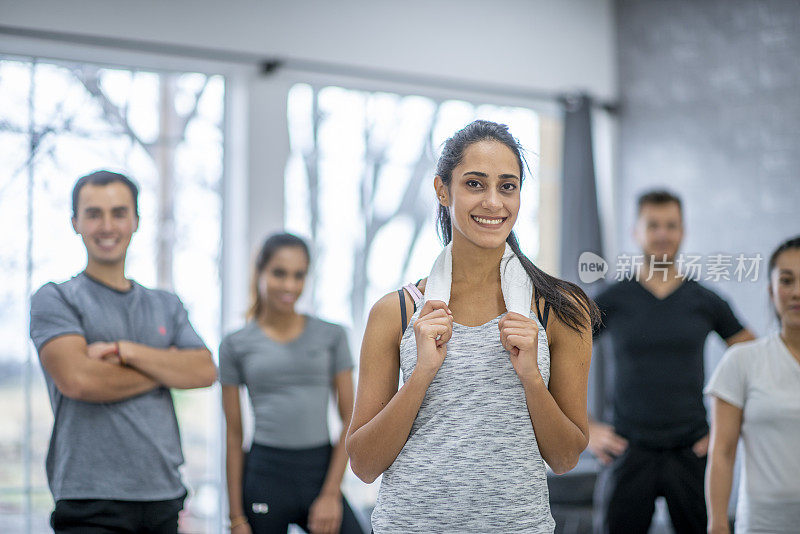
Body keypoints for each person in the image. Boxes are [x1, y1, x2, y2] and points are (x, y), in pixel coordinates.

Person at [346, 120, 599, 533]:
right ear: (443, 190)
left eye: (507, 186)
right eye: (475, 184)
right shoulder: (396, 311)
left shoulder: (559, 310)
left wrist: (532, 378)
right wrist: (422, 374)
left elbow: (566, 457)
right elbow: (363, 464)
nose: (494, 203)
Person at [29, 170, 217, 534]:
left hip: (163, 494)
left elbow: (204, 371)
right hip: (89, 497)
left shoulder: (167, 304)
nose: (107, 225)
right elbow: (79, 380)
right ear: (75, 222)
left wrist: (125, 351)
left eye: (118, 213)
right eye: (93, 213)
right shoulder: (56, 297)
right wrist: (165, 367)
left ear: (135, 221)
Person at [589, 190, 755, 534]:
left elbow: (755, 358)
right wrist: (585, 429)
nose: (663, 233)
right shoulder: (612, 299)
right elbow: (557, 355)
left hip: (691, 449)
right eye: (653, 225)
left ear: (682, 231)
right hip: (627, 450)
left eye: (671, 225)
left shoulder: (704, 300)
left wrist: (729, 430)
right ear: (636, 231)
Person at [220, 233, 363, 534]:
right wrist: (235, 517)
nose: (289, 286)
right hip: (265, 473)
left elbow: (350, 418)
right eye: (279, 273)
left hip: (319, 472)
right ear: (260, 272)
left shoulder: (332, 336)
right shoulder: (235, 345)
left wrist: (330, 494)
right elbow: (234, 436)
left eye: (298, 275)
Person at [705, 235, 800, 534]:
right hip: (762, 523)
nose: (796, 292)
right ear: (772, 290)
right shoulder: (742, 360)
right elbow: (722, 451)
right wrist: (718, 523)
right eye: (786, 280)